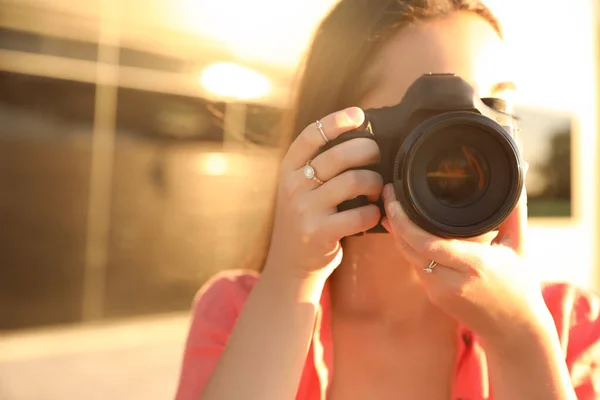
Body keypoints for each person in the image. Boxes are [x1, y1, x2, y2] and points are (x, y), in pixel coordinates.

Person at [175, 1, 600, 399]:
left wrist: (520, 337)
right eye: (441, 119)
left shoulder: (568, 322)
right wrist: (291, 279)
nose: (483, 141)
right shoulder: (241, 313)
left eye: (495, 105)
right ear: (337, 137)